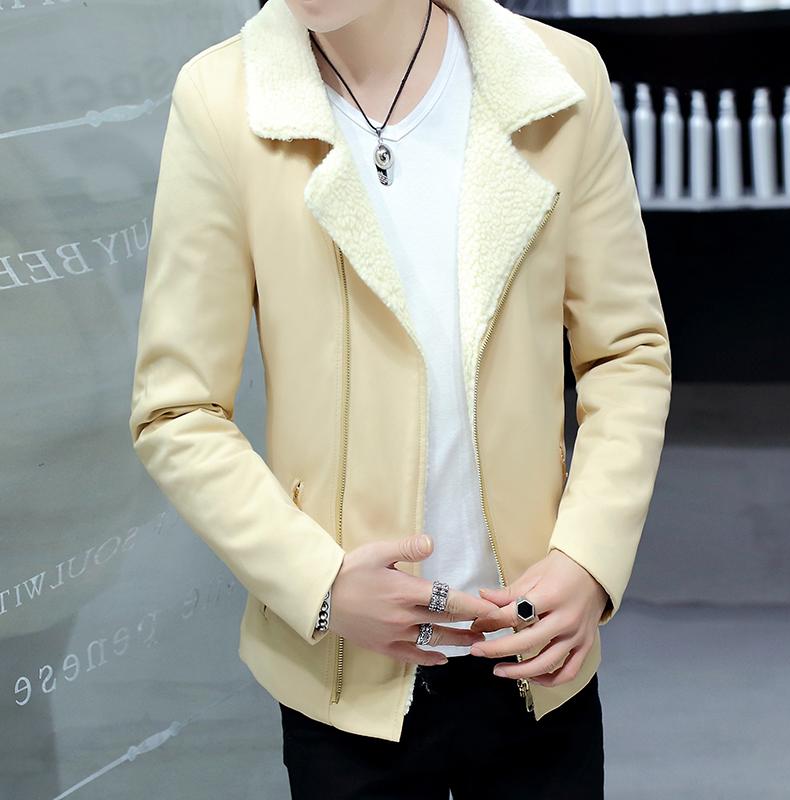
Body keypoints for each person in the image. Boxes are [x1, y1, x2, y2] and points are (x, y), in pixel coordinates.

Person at [128, 0, 672, 797]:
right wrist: (318, 583)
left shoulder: (557, 79)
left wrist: (589, 558)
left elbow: (626, 352)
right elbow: (176, 409)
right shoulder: (223, 98)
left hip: (531, 648)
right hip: (344, 669)